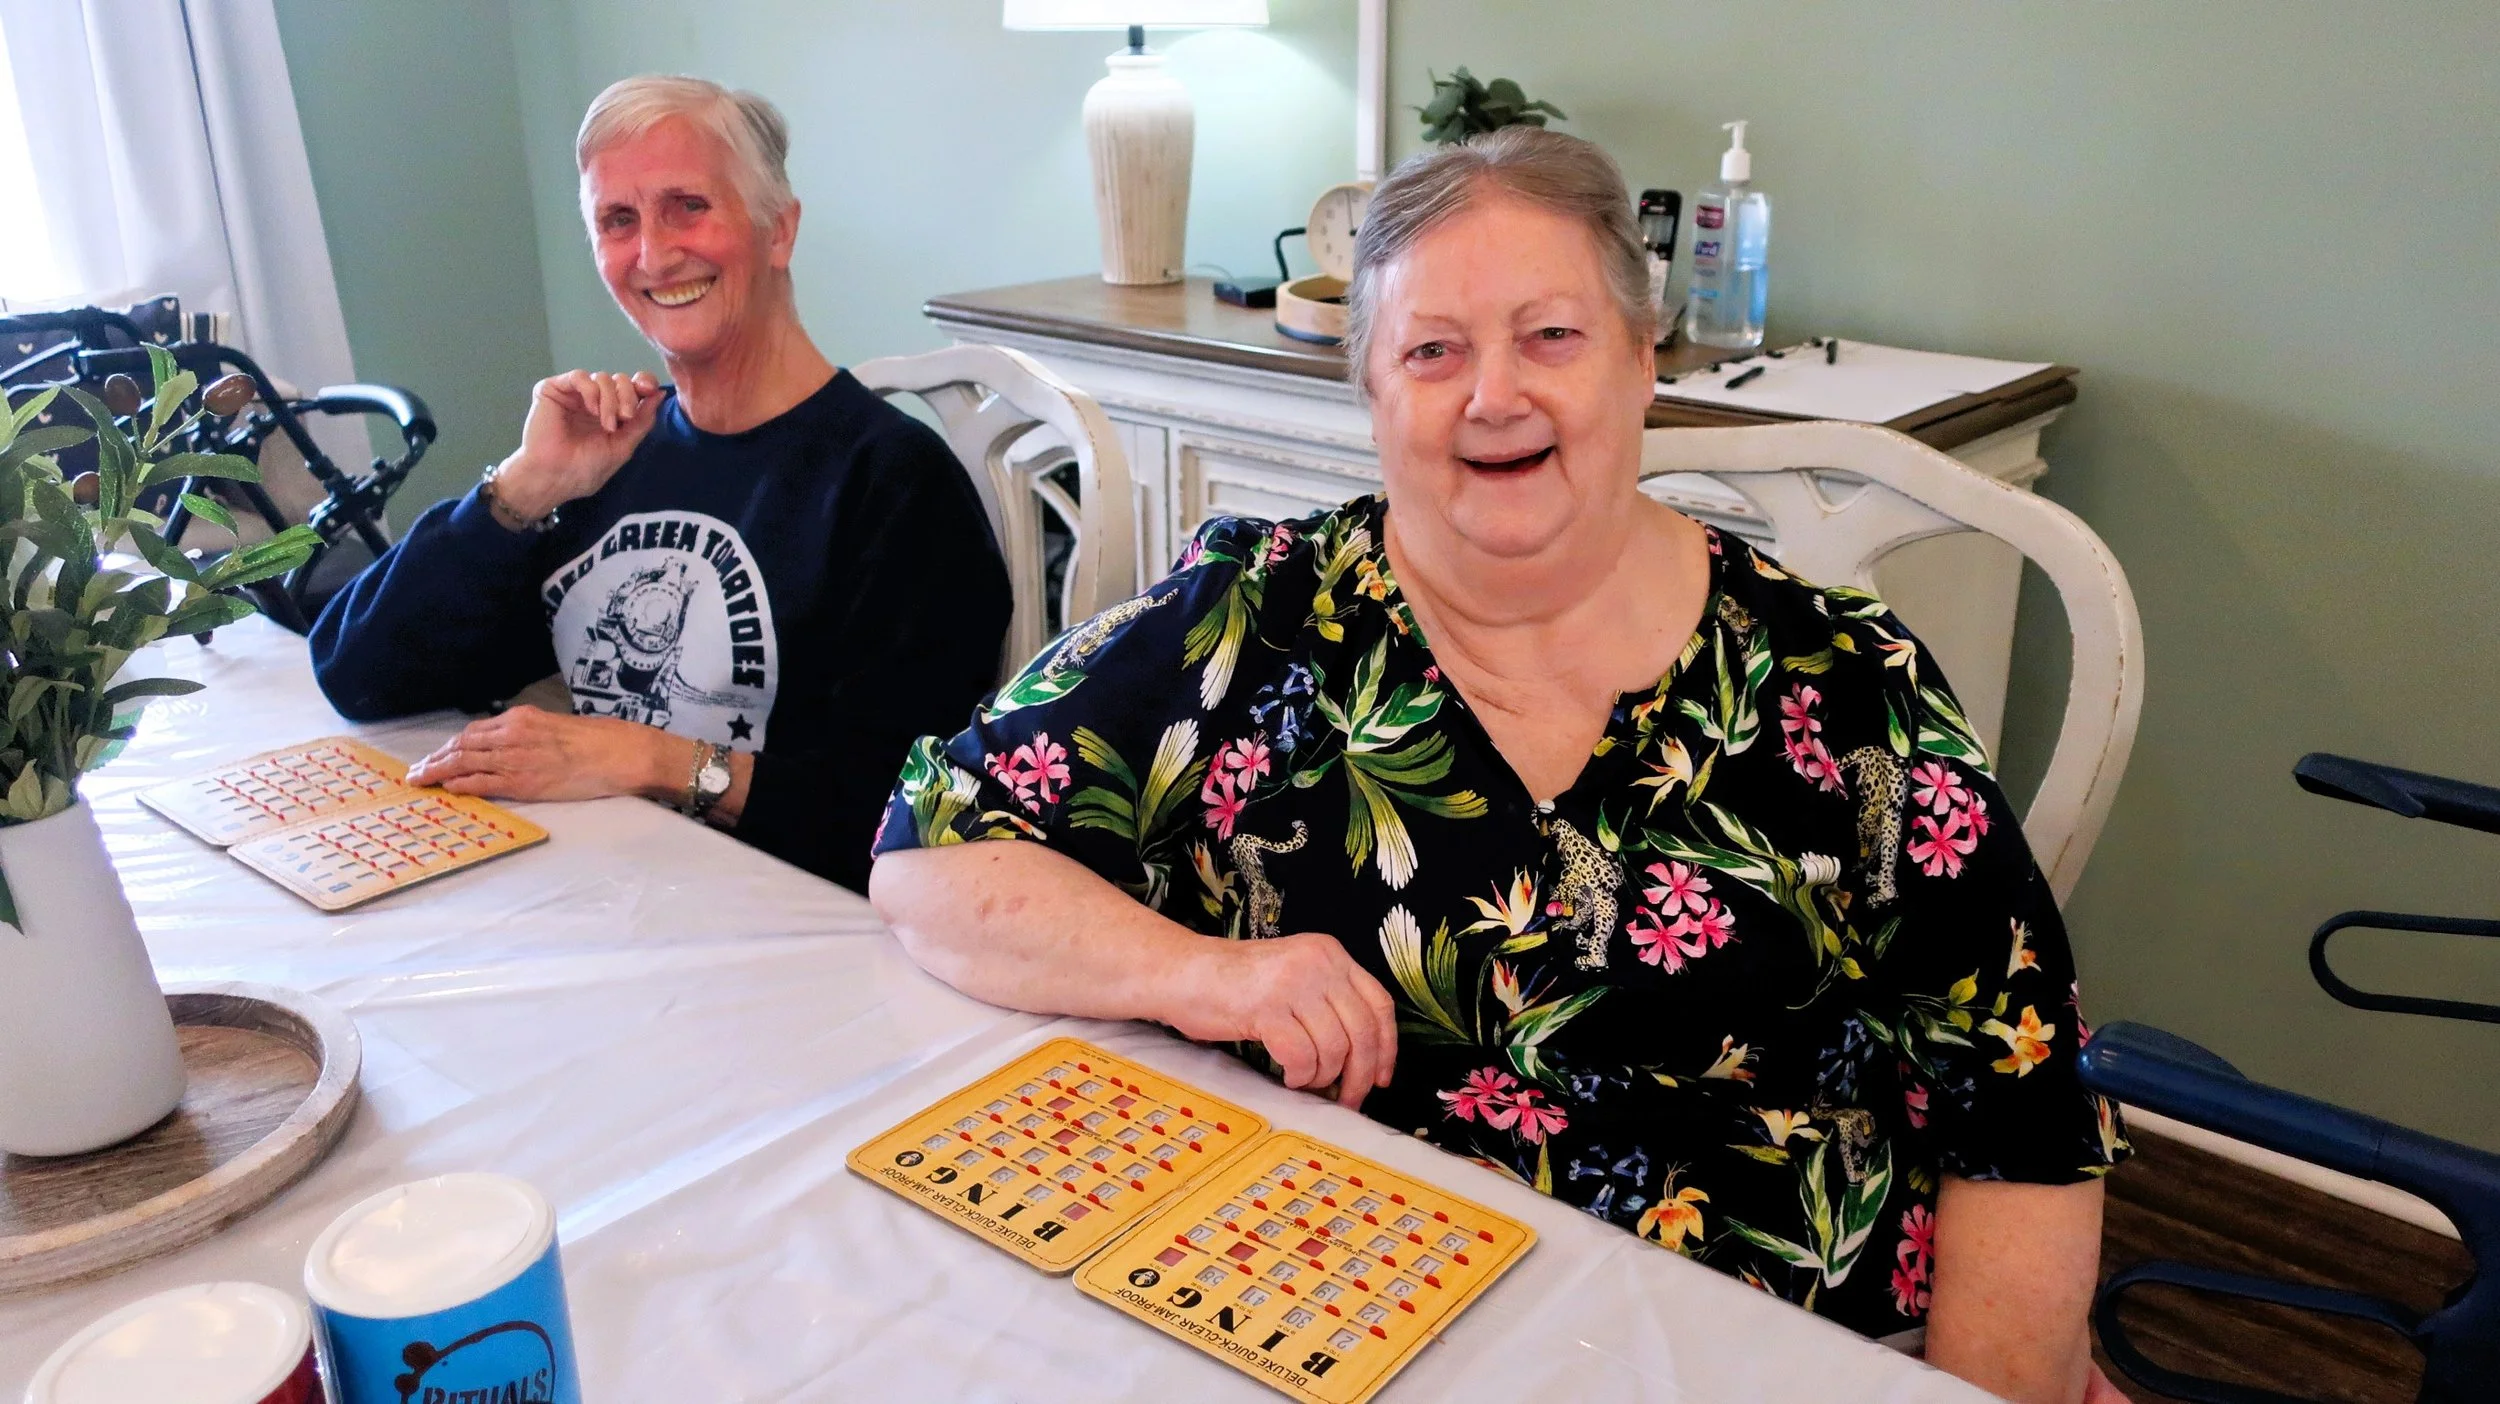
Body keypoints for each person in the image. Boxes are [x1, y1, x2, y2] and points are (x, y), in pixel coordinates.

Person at [869, 128, 2128, 1402]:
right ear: (1370, 388)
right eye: (1432, 350)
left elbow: (2019, 1123)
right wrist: (1205, 974)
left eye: (1551, 337)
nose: (1493, 396)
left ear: (1645, 362)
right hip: (1322, 1315)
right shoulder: (1252, 621)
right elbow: (934, 852)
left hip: (1765, 1349)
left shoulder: (1844, 688)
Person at [311, 75, 1009, 893]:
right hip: (600, 889)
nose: (653, 254)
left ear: (777, 231)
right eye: (618, 220)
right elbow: (361, 677)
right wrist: (523, 489)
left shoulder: (894, 484)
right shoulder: (606, 457)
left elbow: (904, 815)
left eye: (688, 206)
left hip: (794, 934)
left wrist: (643, 756)